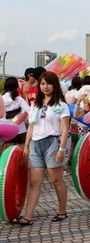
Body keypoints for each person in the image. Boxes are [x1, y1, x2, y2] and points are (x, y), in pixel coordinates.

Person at [12, 71, 70, 225]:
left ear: (55, 85)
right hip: (35, 144)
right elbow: (31, 125)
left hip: (53, 143)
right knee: (34, 182)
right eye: (42, 84)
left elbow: (65, 129)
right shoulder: (35, 104)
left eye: (48, 83)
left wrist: (62, 149)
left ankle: (62, 211)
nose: (45, 86)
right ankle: (28, 216)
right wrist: (26, 146)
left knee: (56, 180)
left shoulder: (61, 105)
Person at [2, 77, 31, 150]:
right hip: (20, 129)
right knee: (21, 155)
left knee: (8, 155)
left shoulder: (1, 99)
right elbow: (29, 111)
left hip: (7, 130)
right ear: (17, 86)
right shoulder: (19, 99)